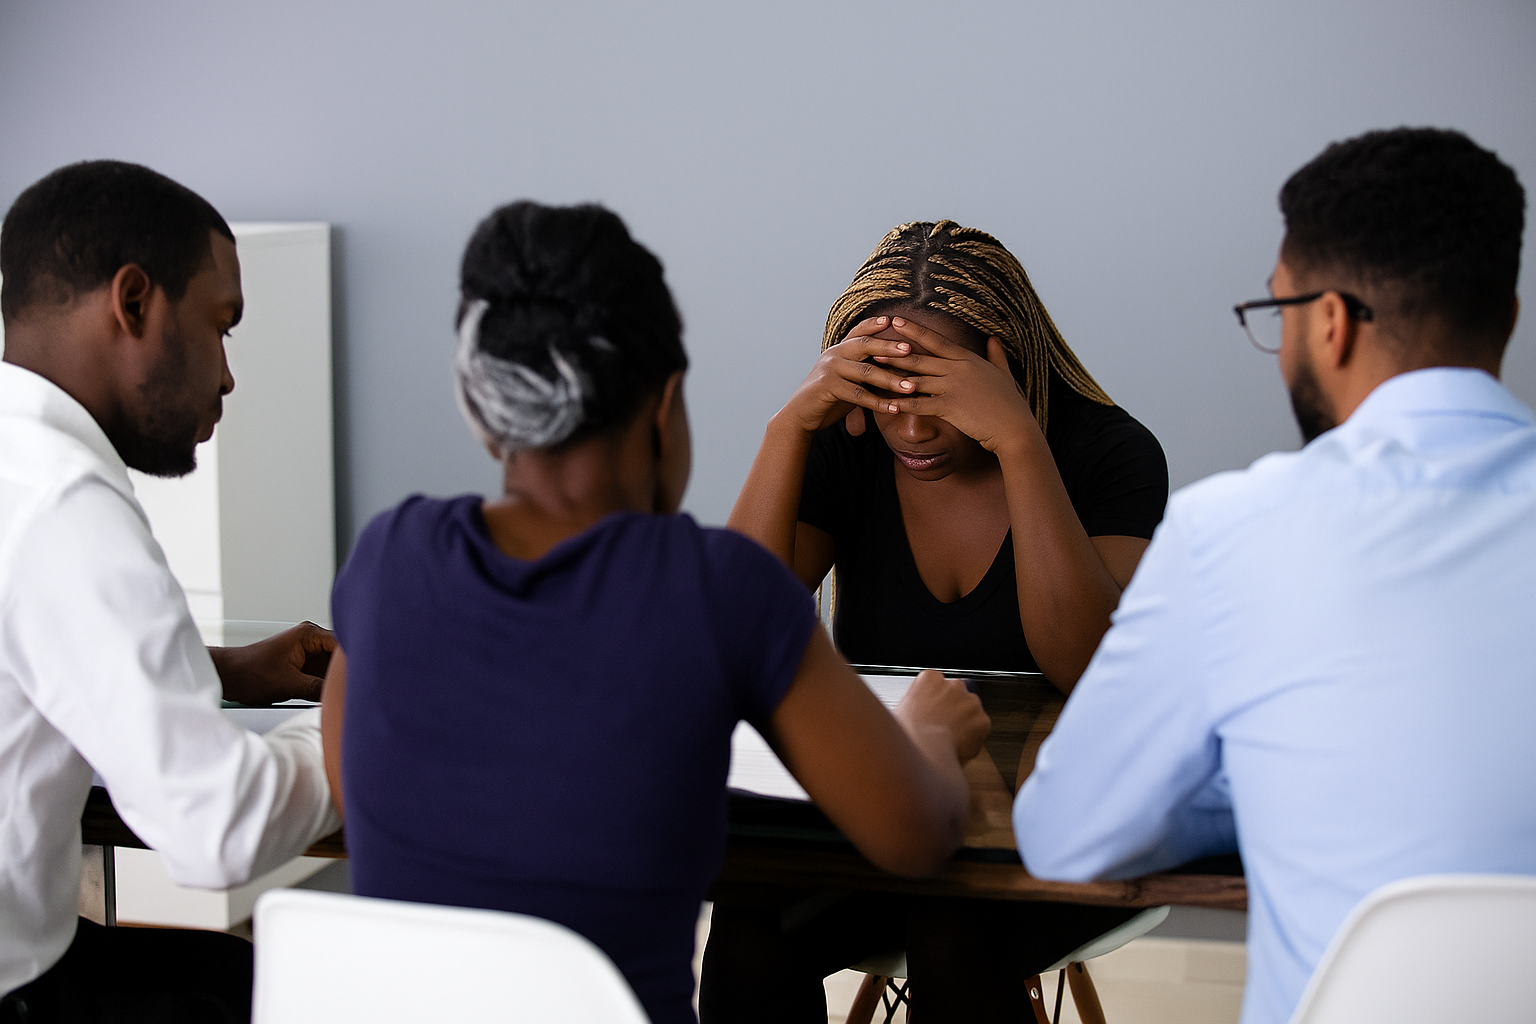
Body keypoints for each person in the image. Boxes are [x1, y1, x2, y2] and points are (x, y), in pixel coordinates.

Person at [319, 200, 991, 1024]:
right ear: (665, 405)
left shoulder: (388, 557)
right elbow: (912, 838)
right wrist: (928, 732)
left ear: (488, 416)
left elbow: (361, 797)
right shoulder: (716, 589)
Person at [1013, 127, 1534, 1024]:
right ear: (1510, 316)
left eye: (1277, 310)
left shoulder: (1234, 532)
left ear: (1329, 322)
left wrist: (1258, 783)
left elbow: (1066, 834)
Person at [703, 221, 1169, 1022]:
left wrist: (1018, 440)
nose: (912, 432)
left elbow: (1089, 667)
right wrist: (788, 429)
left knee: (953, 925)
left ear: (1002, 367)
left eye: (934, 398)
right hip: (888, 823)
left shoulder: (1108, 453)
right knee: (750, 922)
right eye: (887, 397)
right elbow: (733, 642)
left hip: (1057, 842)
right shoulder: (844, 446)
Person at [0, 161, 341, 1023]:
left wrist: (217, 669)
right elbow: (215, 826)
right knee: (298, 991)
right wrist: (349, 718)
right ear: (134, 302)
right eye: (221, 326)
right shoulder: (63, 501)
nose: (227, 375)